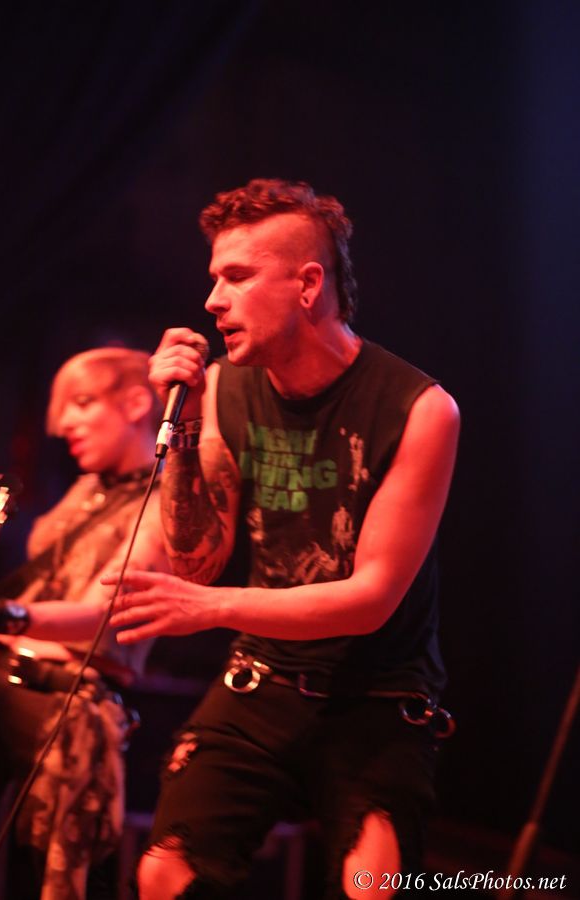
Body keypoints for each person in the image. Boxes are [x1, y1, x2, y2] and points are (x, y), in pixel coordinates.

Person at [104, 178, 460, 900]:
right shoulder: (224, 389)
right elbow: (196, 563)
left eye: (237, 277)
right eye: (214, 278)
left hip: (378, 692)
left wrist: (210, 610)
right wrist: (185, 427)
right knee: (165, 871)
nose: (213, 301)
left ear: (308, 285)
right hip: (261, 679)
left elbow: (370, 600)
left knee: (372, 884)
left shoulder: (419, 409)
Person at [0, 347, 169, 900]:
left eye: (82, 403)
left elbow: (105, 614)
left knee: (56, 881)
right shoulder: (86, 489)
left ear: (136, 404)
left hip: (69, 705)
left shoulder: (167, 499)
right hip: (0, 677)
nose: (64, 424)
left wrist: (7, 616)